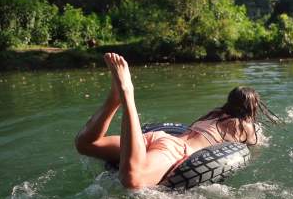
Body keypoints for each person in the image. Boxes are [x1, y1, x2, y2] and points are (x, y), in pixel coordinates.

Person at [74, 53, 277, 189]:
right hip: (177, 152)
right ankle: (127, 95)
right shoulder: (245, 127)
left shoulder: (215, 113)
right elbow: (254, 147)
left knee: (86, 145)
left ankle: (114, 100)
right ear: (252, 108)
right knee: (133, 180)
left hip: (161, 138)